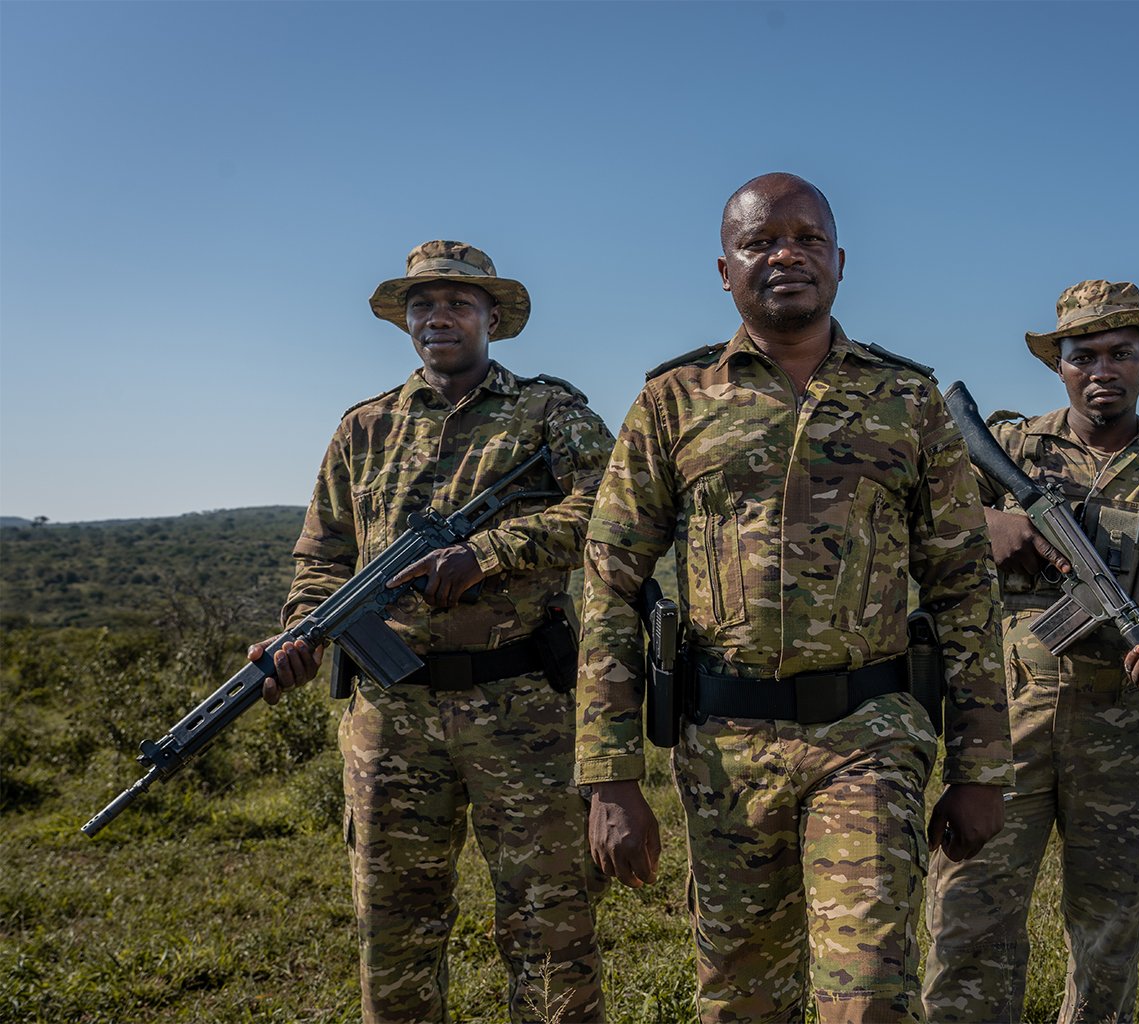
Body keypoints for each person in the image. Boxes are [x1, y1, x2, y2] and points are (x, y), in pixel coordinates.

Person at [575, 172, 1013, 1023]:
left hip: (869, 736)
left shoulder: (907, 401)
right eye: (760, 242)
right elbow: (610, 585)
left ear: (841, 261)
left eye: (807, 239)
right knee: (740, 998)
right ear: (724, 268)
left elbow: (964, 587)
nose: (785, 255)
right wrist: (610, 774)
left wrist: (981, 767)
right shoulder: (672, 403)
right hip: (723, 752)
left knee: (869, 993)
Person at [251, 240, 614, 1024]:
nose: (438, 317)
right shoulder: (363, 428)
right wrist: (299, 633)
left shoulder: (551, 413)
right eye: (423, 304)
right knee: (394, 933)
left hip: (524, 707)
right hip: (390, 716)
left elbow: (611, 509)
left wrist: (490, 552)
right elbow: (323, 556)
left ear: (491, 317)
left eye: (457, 303)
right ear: (405, 322)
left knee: (550, 929)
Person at [922, 280, 1139, 1023]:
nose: (1103, 369)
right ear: (1059, 366)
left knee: (1111, 929)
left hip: (1125, 730)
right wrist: (992, 523)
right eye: (1084, 354)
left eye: (1120, 354)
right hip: (1004, 723)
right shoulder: (1007, 448)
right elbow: (920, 514)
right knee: (970, 915)